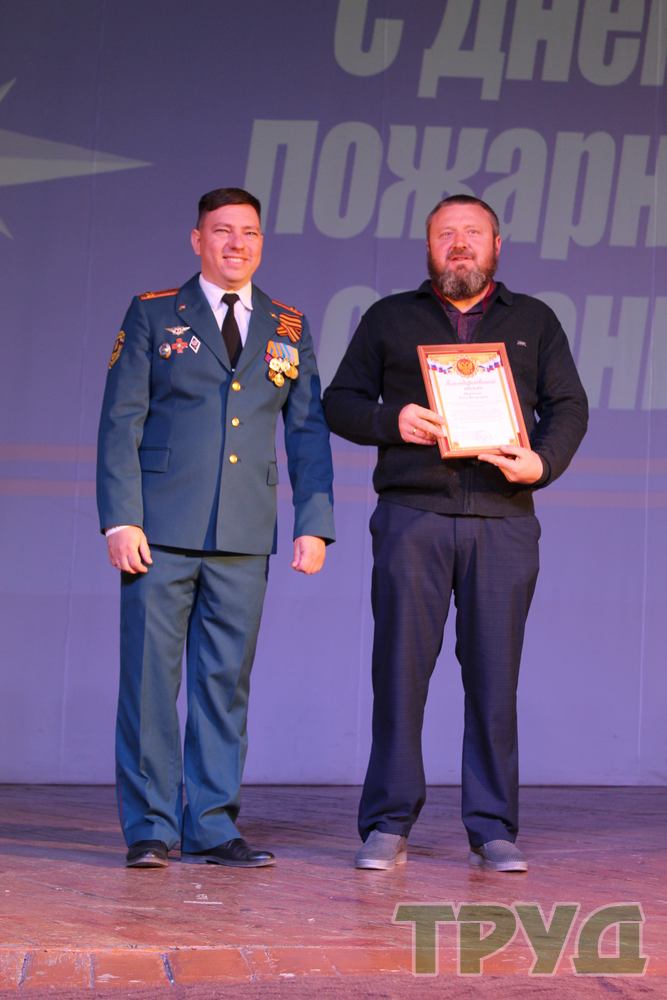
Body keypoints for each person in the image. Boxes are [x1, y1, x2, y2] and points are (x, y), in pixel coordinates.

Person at [323, 194, 587, 873]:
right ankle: (387, 824)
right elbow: (339, 402)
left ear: (496, 245)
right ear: (428, 246)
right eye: (446, 234)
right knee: (399, 675)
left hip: (503, 520)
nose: (460, 244)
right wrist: (392, 420)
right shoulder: (389, 317)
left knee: (495, 681)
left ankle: (493, 828)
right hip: (413, 517)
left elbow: (569, 405)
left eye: (473, 233)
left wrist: (542, 462)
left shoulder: (533, 320)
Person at [97, 187, 334, 869]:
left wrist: (313, 523)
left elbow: (307, 431)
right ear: (197, 240)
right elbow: (121, 421)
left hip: (244, 534)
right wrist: (121, 518)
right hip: (159, 530)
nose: (236, 243)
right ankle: (150, 827)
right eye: (222, 230)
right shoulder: (153, 313)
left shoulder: (287, 325)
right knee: (149, 682)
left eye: (249, 232)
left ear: (261, 243)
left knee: (224, 684)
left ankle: (210, 824)